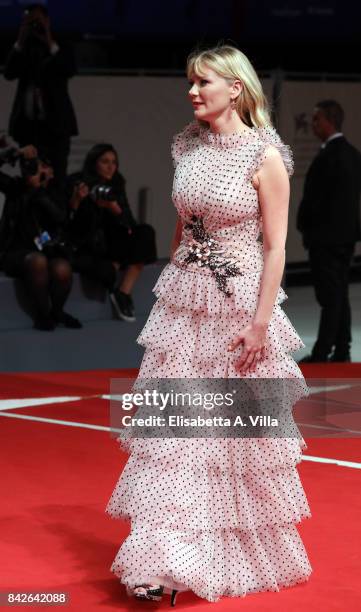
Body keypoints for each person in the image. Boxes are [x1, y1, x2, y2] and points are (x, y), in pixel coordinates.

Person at [105, 45, 312, 604]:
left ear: (236, 89)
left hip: (239, 310)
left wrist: (261, 324)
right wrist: (172, 289)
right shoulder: (188, 146)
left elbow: (275, 248)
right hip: (184, 307)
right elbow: (181, 225)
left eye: (203, 82)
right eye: (190, 82)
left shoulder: (265, 155)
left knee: (225, 445)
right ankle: (164, 562)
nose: (193, 91)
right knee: (174, 437)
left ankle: (217, 555)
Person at [297, 100, 361, 363]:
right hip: (345, 237)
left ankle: (323, 351)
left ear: (329, 121)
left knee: (329, 297)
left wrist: (307, 227)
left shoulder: (329, 157)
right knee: (339, 294)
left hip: (326, 239)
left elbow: (318, 200)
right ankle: (343, 347)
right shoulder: (353, 154)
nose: (313, 125)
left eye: (316, 120)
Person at [66, 144, 157, 322]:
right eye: (105, 162)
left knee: (145, 232)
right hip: (89, 246)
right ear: (94, 163)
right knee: (105, 272)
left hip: (113, 244)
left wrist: (114, 209)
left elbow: (130, 224)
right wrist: (77, 201)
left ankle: (123, 292)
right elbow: (71, 228)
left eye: (114, 162)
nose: (110, 167)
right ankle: (114, 267)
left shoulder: (116, 183)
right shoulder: (78, 183)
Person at [0, 146, 81, 331]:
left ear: (50, 171)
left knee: (62, 268)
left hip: (48, 249)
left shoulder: (55, 191)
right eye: (31, 166)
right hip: (15, 252)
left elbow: (61, 218)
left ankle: (57, 312)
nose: (36, 170)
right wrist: (13, 153)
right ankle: (42, 314)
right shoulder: (15, 188)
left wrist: (39, 192)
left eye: (42, 166)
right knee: (37, 261)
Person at [3, 3, 78, 188]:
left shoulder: (58, 43)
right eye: (29, 21)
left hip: (56, 128)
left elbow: (69, 68)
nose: (34, 25)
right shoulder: (23, 46)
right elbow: (9, 73)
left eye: (38, 20)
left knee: (57, 179)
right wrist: (20, 40)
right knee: (30, 180)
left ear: (47, 21)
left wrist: (48, 39)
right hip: (28, 129)